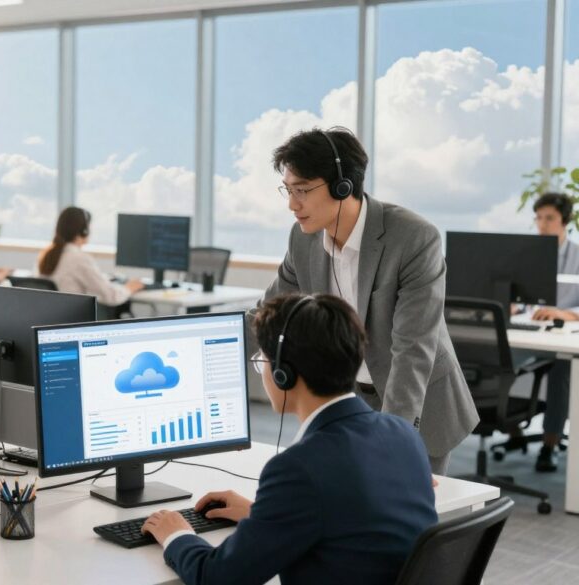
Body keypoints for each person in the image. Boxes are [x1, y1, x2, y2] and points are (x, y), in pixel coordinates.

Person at [142, 294, 438, 585]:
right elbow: (354, 520)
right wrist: (262, 516)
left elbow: (218, 577)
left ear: (284, 374)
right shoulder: (402, 433)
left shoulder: (298, 468)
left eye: (263, 361)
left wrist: (177, 534)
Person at [264, 127, 477, 475]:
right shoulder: (302, 240)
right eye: (287, 191)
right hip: (347, 401)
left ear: (342, 185)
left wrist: (391, 441)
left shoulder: (412, 238)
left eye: (301, 190)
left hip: (416, 402)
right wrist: (205, 351)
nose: (292, 204)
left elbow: (413, 349)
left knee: (409, 520)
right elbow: (267, 316)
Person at [515, 192, 579, 471]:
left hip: (562, 337)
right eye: (539, 218)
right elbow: (518, 297)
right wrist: (511, 307)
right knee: (497, 360)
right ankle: (512, 429)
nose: (542, 224)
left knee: (561, 368)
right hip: (529, 333)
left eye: (549, 218)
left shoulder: (577, 256)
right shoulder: (528, 256)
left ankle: (549, 444)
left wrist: (564, 313)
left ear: (564, 221)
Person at [38, 206, 143, 307]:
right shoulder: (79, 259)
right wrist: (129, 288)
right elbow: (110, 296)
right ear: (84, 231)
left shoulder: (46, 255)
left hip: (52, 320)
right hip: (73, 320)